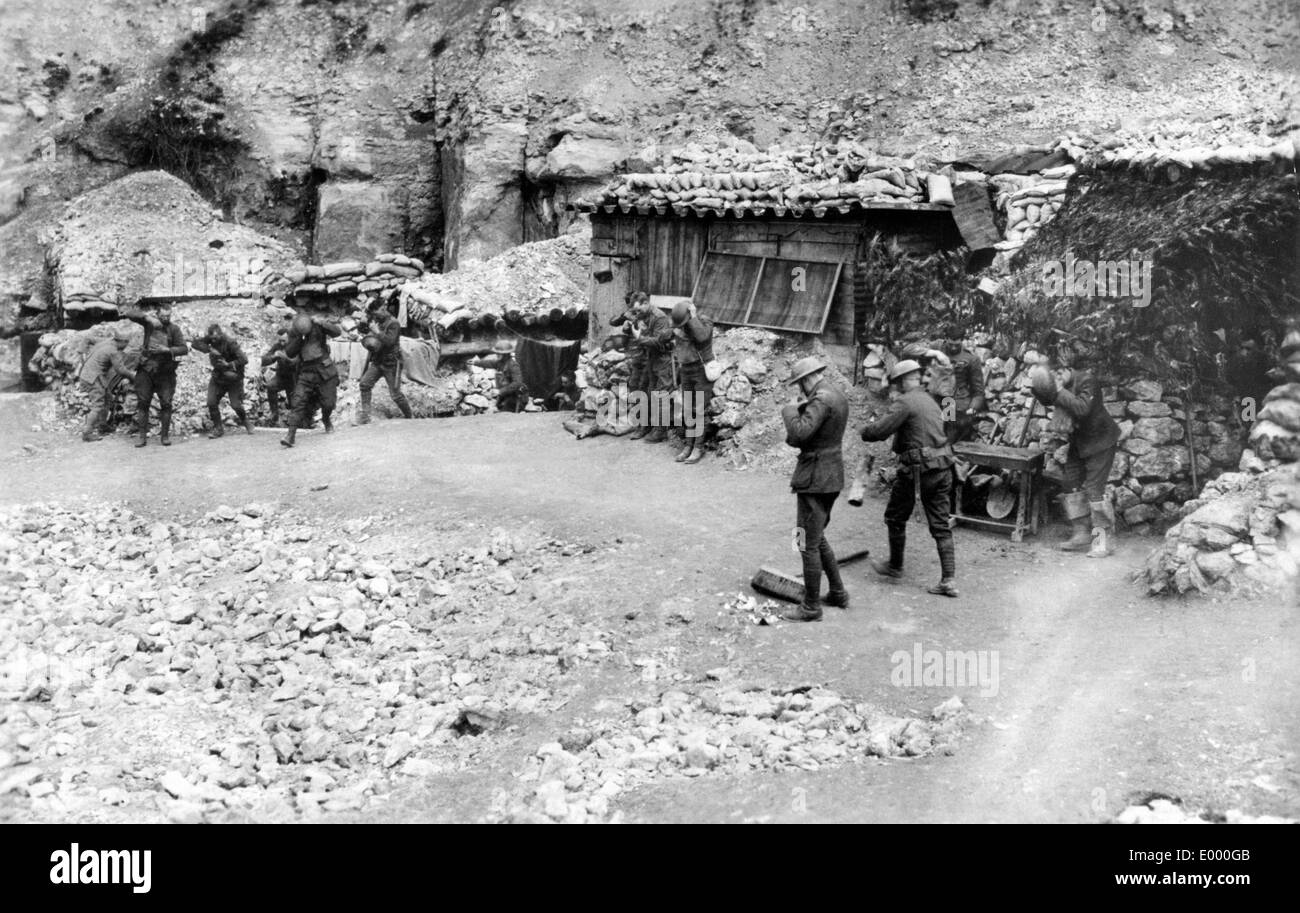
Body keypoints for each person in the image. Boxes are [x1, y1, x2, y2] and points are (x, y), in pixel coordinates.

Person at [860, 359, 959, 597]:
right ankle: (948, 580)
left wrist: (864, 430)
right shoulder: (931, 400)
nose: (895, 388)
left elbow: (879, 432)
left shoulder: (905, 402)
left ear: (904, 381)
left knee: (894, 517)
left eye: (897, 383)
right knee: (941, 525)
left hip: (918, 471)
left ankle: (895, 567)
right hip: (943, 468)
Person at [1029, 343, 1121, 558]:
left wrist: (1059, 390)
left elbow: (1082, 408)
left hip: (1100, 442)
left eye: (1056, 376)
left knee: (1094, 491)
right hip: (1080, 442)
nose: (1055, 381)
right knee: (1070, 483)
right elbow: (1046, 398)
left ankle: (1102, 542)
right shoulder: (1058, 382)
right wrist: (1039, 384)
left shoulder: (1087, 380)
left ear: (1063, 369)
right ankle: (1081, 534)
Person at [779, 356, 851, 622]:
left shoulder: (820, 398)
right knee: (816, 536)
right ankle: (838, 592)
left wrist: (788, 411)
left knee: (805, 541)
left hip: (815, 478)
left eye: (800, 384)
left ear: (807, 379)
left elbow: (798, 435)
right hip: (830, 475)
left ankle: (810, 607)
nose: (800, 391)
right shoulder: (835, 394)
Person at [612, 292, 674, 442]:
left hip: (662, 359)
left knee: (661, 394)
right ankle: (645, 426)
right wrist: (629, 328)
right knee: (645, 391)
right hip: (649, 358)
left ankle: (660, 431)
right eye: (635, 311)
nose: (636, 314)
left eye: (638, 310)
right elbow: (620, 323)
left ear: (646, 303)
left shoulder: (660, 318)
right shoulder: (641, 314)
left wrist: (640, 337)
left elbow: (659, 342)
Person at [122, 304, 187, 447]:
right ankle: (142, 437)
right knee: (143, 403)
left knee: (166, 403)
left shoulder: (174, 329)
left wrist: (168, 349)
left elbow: (184, 349)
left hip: (165, 372)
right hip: (146, 370)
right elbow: (130, 313)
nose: (165, 319)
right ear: (157, 315)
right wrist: (147, 317)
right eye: (163, 316)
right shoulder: (149, 324)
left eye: (168, 316)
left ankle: (164, 437)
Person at [939, 325, 987, 516]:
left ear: (962, 341)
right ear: (945, 340)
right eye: (950, 343)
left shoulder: (971, 359)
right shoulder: (936, 353)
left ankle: (956, 502)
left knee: (957, 453)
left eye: (957, 343)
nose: (953, 347)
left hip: (958, 408)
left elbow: (979, 391)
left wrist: (973, 407)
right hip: (939, 403)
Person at [281, 313, 341, 448]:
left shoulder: (318, 326)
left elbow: (337, 332)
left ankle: (326, 419)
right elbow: (289, 352)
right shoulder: (294, 332)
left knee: (328, 403)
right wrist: (298, 339)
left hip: (324, 369)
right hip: (306, 371)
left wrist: (322, 323)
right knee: (298, 401)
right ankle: (290, 435)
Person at [670, 299, 714, 464]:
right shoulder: (680, 324)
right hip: (686, 370)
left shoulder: (704, 321)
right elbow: (667, 334)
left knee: (700, 410)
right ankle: (688, 445)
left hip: (701, 370)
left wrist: (693, 317)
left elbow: (702, 337)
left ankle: (698, 447)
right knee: (688, 410)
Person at [191, 323, 253, 438]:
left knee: (236, 405)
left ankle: (246, 422)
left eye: (215, 338)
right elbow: (195, 344)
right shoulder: (210, 340)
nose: (213, 340)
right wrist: (210, 348)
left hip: (233, 377)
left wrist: (228, 364)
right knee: (211, 402)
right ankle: (218, 428)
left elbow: (244, 359)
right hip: (218, 376)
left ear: (220, 334)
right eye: (211, 339)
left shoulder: (230, 342)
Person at [356, 299, 413, 424]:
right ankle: (366, 416)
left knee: (396, 395)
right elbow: (363, 331)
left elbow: (389, 341)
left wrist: (377, 331)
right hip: (377, 361)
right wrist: (362, 323)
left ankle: (410, 418)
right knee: (364, 384)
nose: (375, 316)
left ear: (382, 309)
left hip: (391, 363)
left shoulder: (394, 323)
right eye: (373, 314)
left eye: (376, 313)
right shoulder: (377, 320)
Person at [77, 328, 135, 442]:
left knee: (107, 398)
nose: (127, 345)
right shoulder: (112, 351)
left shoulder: (105, 341)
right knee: (97, 405)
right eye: (126, 342)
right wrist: (134, 377)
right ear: (121, 341)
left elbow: (87, 338)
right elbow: (121, 370)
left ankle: (102, 426)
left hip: (92, 375)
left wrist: (81, 352)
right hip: (93, 378)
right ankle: (87, 433)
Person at [261, 324, 297, 426]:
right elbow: (264, 360)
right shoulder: (277, 346)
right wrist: (274, 357)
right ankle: (274, 414)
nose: (281, 343)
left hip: (294, 378)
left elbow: (297, 362)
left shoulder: (296, 346)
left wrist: (285, 358)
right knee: (270, 386)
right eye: (280, 340)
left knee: (293, 401)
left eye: (283, 341)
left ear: (289, 338)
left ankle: (296, 421)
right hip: (281, 376)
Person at [489, 339, 527, 412]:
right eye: (496, 353)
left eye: (499, 353)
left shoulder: (513, 365)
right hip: (506, 395)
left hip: (516, 397)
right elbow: (489, 363)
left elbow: (517, 383)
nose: (497, 355)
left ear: (505, 354)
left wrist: (500, 391)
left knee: (504, 415)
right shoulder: (502, 364)